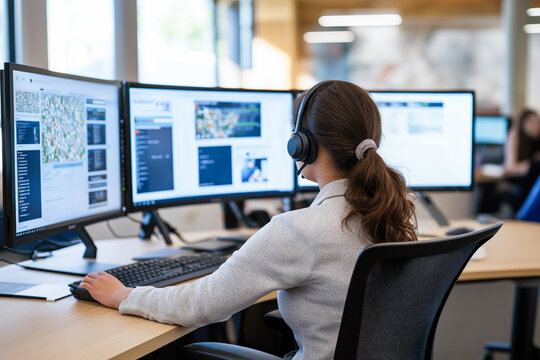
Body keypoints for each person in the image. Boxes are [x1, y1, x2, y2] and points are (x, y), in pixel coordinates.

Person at [79, 80, 417, 360]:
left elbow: (200, 305)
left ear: (302, 145)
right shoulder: (398, 211)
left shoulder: (299, 231)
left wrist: (125, 295)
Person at [504, 108, 540, 177]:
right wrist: (532, 165)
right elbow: (510, 167)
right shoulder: (515, 135)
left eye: (537, 122)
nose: (536, 125)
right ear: (522, 124)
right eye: (531, 122)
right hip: (522, 177)